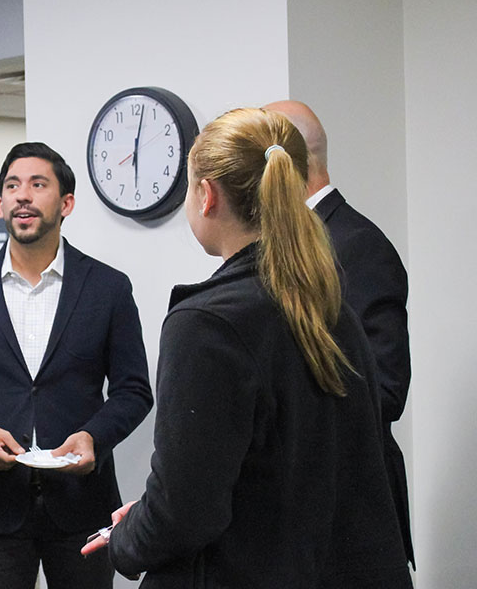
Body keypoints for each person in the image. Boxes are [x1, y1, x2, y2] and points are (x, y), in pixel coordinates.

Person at [84, 108, 411, 588]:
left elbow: (186, 510)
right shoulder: (325, 299)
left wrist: (130, 537)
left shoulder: (207, 323)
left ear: (207, 194)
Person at [0, 142, 153, 589]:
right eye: (12, 186)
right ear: (0, 205)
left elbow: (134, 390)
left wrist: (94, 437)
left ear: (66, 203)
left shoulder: (108, 288)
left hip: (83, 504)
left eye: (38, 184)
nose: (23, 195)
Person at [264, 100, 413, 566]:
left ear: (282, 165)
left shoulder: (358, 246)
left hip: (349, 514)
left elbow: (385, 391)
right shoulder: (284, 245)